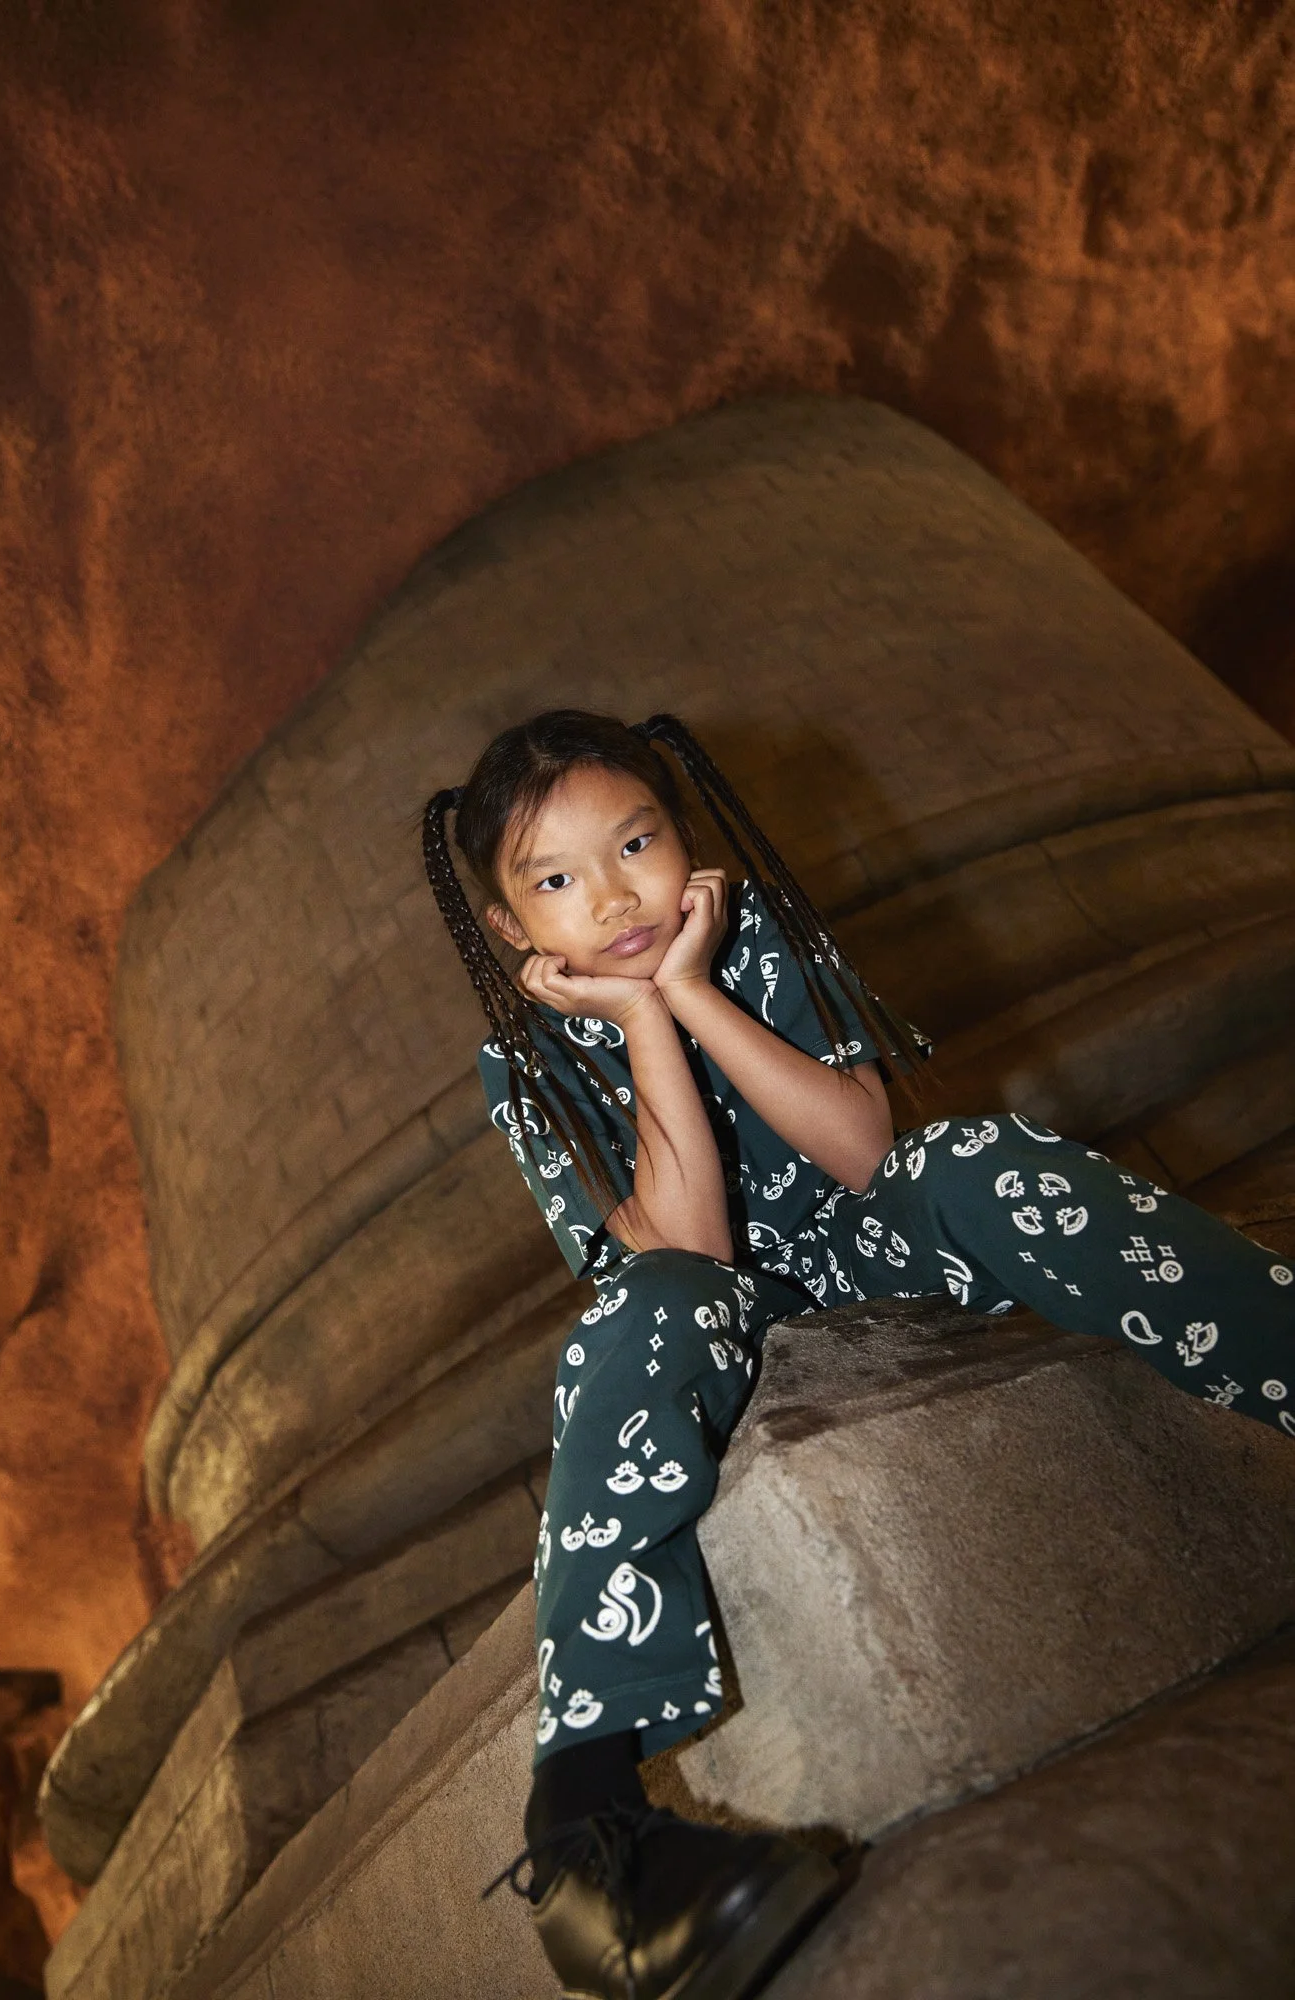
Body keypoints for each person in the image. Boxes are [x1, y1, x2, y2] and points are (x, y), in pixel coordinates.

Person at [422, 709, 1295, 2000]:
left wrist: (690, 988)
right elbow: (692, 1251)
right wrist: (639, 1014)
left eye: (635, 842)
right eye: (554, 880)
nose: (611, 895)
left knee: (974, 1161)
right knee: (634, 1314)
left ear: (681, 840)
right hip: (713, 1305)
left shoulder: (749, 932)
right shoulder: (525, 1063)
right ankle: (587, 1843)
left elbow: (861, 1150)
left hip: (858, 1237)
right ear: (509, 928)